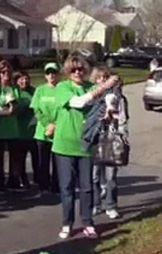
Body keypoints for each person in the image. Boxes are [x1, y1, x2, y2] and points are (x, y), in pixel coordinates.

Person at [52, 55, 117, 239]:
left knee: (87, 187)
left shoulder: (91, 87)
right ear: (68, 72)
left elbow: (101, 110)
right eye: (73, 69)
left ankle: (87, 222)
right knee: (67, 188)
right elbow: (77, 102)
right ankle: (67, 223)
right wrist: (103, 87)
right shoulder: (63, 87)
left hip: (86, 145)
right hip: (64, 145)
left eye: (80, 69)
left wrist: (108, 114)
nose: (78, 72)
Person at [89, 67, 126, 220]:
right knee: (94, 176)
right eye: (99, 78)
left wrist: (123, 134)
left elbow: (123, 117)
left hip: (112, 138)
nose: (102, 80)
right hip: (95, 139)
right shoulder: (92, 96)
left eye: (105, 77)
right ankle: (96, 204)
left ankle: (111, 205)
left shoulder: (117, 97)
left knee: (111, 176)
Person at [0, 60, 21, 193]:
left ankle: (13, 180)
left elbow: (18, 107)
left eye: (8, 72)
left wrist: (12, 109)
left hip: (12, 128)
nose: (6, 75)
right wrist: (8, 111)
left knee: (14, 157)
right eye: (3, 72)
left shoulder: (14, 89)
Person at [31, 62, 61, 196]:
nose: (51, 75)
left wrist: (55, 125)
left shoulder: (62, 89)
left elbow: (65, 109)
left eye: (54, 72)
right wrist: (47, 124)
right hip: (42, 132)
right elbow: (36, 110)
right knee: (43, 162)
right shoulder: (40, 90)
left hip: (58, 130)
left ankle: (56, 187)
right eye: (48, 73)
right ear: (45, 75)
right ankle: (43, 187)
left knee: (57, 162)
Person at [14, 70, 38, 188]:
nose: (24, 81)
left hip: (34, 130)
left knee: (36, 157)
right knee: (21, 158)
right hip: (20, 130)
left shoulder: (34, 91)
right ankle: (22, 179)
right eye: (21, 79)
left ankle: (38, 178)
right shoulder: (15, 91)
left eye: (26, 78)